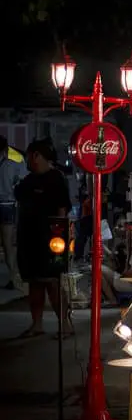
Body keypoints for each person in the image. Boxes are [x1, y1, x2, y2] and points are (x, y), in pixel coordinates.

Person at [13, 139, 73, 339]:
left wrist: (60, 239)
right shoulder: (29, 180)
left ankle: (65, 324)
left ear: (36, 156)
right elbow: (18, 196)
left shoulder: (56, 179)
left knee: (52, 283)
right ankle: (36, 324)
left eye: (29, 156)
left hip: (50, 240)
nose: (27, 161)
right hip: (29, 239)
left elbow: (62, 210)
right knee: (34, 283)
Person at [0, 136, 28, 291]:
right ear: (5, 150)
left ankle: (13, 277)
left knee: (7, 244)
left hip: (6, 204)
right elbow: (23, 182)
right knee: (8, 244)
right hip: (7, 205)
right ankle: (13, 277)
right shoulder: (13, 164)